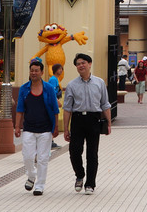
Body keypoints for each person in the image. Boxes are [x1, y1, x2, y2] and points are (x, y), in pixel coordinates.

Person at [63, 53, 112, 195]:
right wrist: (65, 129)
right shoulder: (72, 85)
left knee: (92, 154)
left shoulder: (99, 83)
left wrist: (108, 123)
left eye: (83, 62)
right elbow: (67, 108)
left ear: (90, 64)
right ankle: (80, 174)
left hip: (93, 119)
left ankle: (90, 183)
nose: (81, 65)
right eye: (78, 64)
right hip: (77, 120)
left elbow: (105, 104)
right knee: (74, 151)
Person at [15, 59, 59, 196]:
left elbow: (55, 109)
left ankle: (40, 185)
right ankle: (32, 175)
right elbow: (20, 108)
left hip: (45, 129)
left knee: (43, 158)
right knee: (27, 156)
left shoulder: (49, 88)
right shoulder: (24, 89)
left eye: (36, 70)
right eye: (32, 70)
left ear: (41, 72)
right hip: (28, 128)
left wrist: (56, 127)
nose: (34, 73)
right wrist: (17, 126)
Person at [48, 63, 64, 148]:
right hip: (52, 104)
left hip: (54, 102)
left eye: (61, 69)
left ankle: (51, 140)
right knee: (52, 121)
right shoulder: (53, 79)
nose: (61, 70)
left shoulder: (56, 79)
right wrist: (56, 101)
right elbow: (52, 92)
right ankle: (50, 141)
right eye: (59, 69)